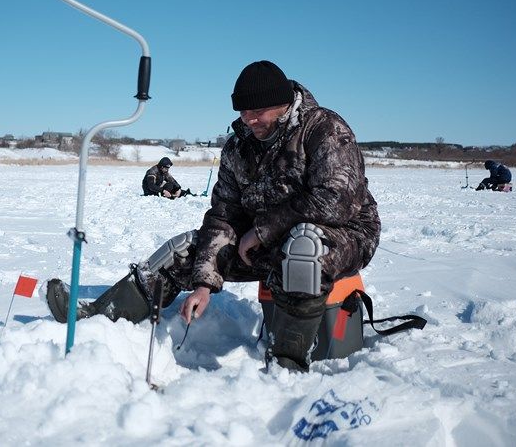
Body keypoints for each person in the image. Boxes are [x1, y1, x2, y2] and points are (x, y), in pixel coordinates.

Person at [46, 60, 380, 372]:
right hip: (266, 241)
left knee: (303, 248)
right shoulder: (238, 148)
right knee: (185, 249)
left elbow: (338, 199)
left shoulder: (324, 128)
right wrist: (205, 281)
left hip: (344, 234)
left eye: (258, 111)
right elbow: (223, 216)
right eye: (243, 111)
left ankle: (287, 366)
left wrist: (264, 230)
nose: (249, 119)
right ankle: (100, 317)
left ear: (283, 103)